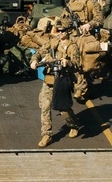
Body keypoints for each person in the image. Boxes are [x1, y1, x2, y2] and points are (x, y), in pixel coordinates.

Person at [30, 18, 82, 148]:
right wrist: (34, 60)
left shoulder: (72, 46)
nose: (59, 33)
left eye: (62, 31)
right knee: (45, 107)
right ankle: (46, 134)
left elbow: (77, 64)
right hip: (49, 80)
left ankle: (73, 125)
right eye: (57, 30)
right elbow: (40, 52)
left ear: (68, 31)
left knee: (63, 108)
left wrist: (67, 63)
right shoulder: (52, 42)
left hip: (63, 80)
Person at [63, 0, 104, 101]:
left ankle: (83, 87)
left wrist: (89, 25)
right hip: (72, 35)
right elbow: (63, 17)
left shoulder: (92, 3)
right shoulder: (71, 3)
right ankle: (79, 85)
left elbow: (99, 19)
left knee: (84, 64)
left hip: (86, 37)